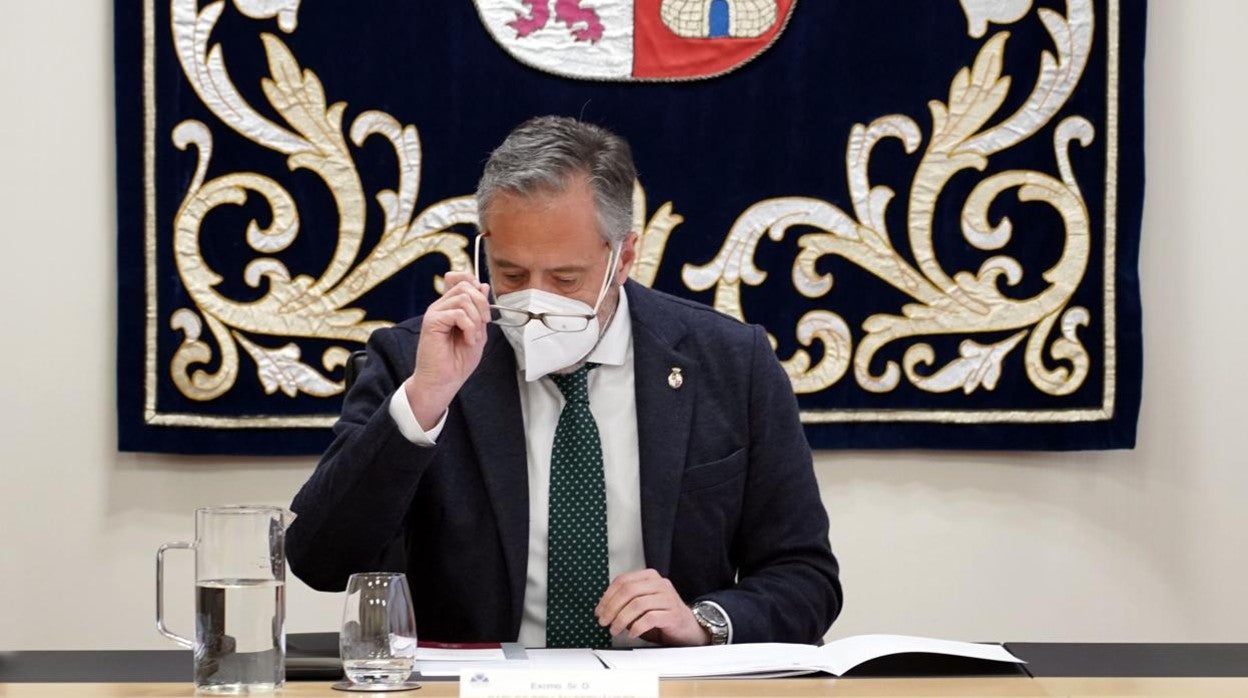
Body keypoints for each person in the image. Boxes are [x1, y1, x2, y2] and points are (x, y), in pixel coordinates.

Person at [287, 116, 841, 648]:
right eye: (510, 273)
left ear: (623, 257)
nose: (534, 299)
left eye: (565, 278)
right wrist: (426, 400)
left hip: (661, 686)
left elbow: (805, 575)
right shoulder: (417, 359)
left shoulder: (731, 363)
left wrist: (704, 623)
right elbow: (320, 560)